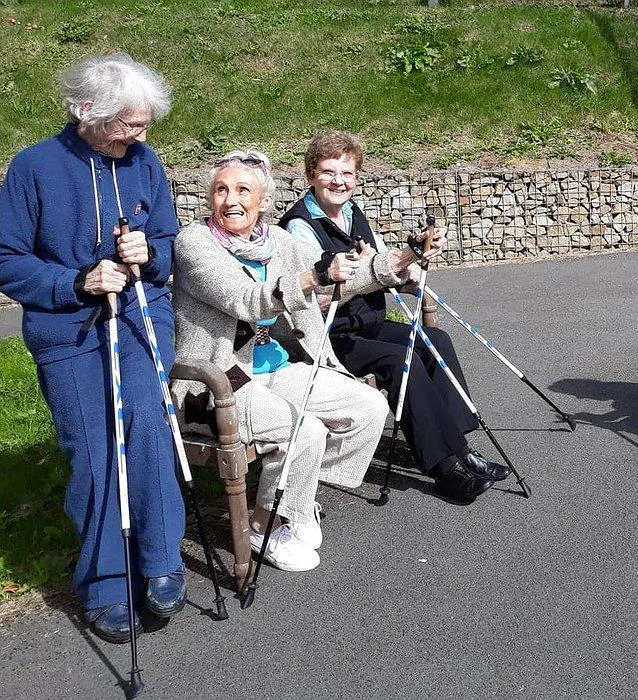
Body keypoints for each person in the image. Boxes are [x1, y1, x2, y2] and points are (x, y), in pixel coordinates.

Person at [0, 53, 184, 643]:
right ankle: (105, 582)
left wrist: (147, 256)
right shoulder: (34, 168)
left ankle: (161, 561)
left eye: (144, 124)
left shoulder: (142, 160)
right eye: (128, 124)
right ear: (86, 111)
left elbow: (166, 239)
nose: (140, 135)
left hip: (137, 322)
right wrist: (76, 281)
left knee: (149, 431)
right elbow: (7, 259)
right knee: (94, 450)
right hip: (69, 334)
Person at [171, 150, 405, 572]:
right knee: (305, 429)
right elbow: (244, 299)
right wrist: (314, 277)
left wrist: (403, 258)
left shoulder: (277, 242)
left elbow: (344, 273)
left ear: (263, 202)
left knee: (369, 407)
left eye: (244, 190)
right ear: (210, 198)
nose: (231, 200)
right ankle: (262, 525)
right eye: (222, 189)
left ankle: (296, 498)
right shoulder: (195, 243)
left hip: (276, 367)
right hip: (221, 381)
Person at [279, 131, 507, 502]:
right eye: (328, 172)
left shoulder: (354, 213)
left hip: (366, 322)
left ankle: (460, 447)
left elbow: (382, 266)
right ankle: (442, 466)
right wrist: (388, 266)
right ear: (310, 174)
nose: (339, 181)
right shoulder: (299, 227)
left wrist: (410, 269)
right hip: (330, 335)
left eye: (347, 173)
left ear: (357, 177)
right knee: (400, 359)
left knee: (435, 340)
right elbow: (319, 295)